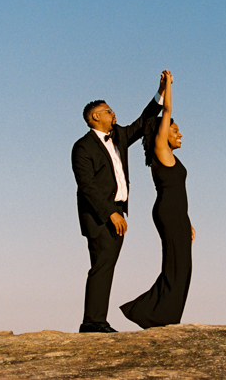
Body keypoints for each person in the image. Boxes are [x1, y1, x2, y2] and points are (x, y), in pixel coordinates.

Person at [71, 71, 168, 333]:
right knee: (102, 266)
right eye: (108, 111)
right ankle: (93, 322)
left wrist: (160, 92)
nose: (114, 114)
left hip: (116, 213)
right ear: (95, 117)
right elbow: (87, 186)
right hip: (99, 216)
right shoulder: (82, 147)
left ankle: (94, 320)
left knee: (104, 267)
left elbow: (143, 121)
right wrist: (111, 213)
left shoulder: (120, 137)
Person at [120, 71, 195, 329]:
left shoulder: (168, 157)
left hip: (176, 214)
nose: (180, 133)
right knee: (176, 267)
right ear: (163, 133)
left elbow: (178, 194)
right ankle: (155, 316)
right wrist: (165, 87)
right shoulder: (160, 150)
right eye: (174, 129)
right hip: (168, 213)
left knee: (181, 268)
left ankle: (165, 316)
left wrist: (188, 222)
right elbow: (167, 110)